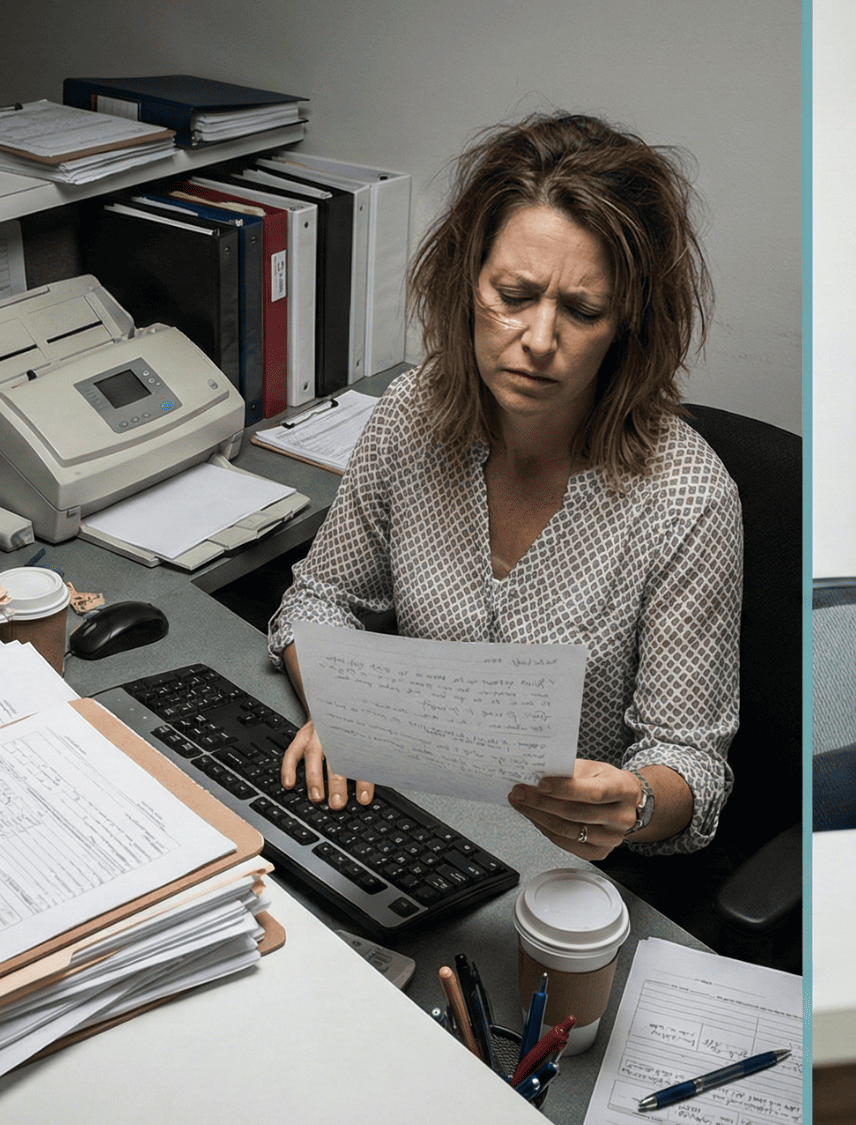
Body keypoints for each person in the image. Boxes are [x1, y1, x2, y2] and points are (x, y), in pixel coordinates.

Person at [267, 112, 741, 861]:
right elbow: (320, 598)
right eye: (513, 294)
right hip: (398, 814)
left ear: (627, 323)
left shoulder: (687, 498)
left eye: (583, 310)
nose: (540, 340)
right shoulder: (413, 413)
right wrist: (346, 705)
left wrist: (637, 799)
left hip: (558, 865)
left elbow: (692, 761)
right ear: (467, 283)